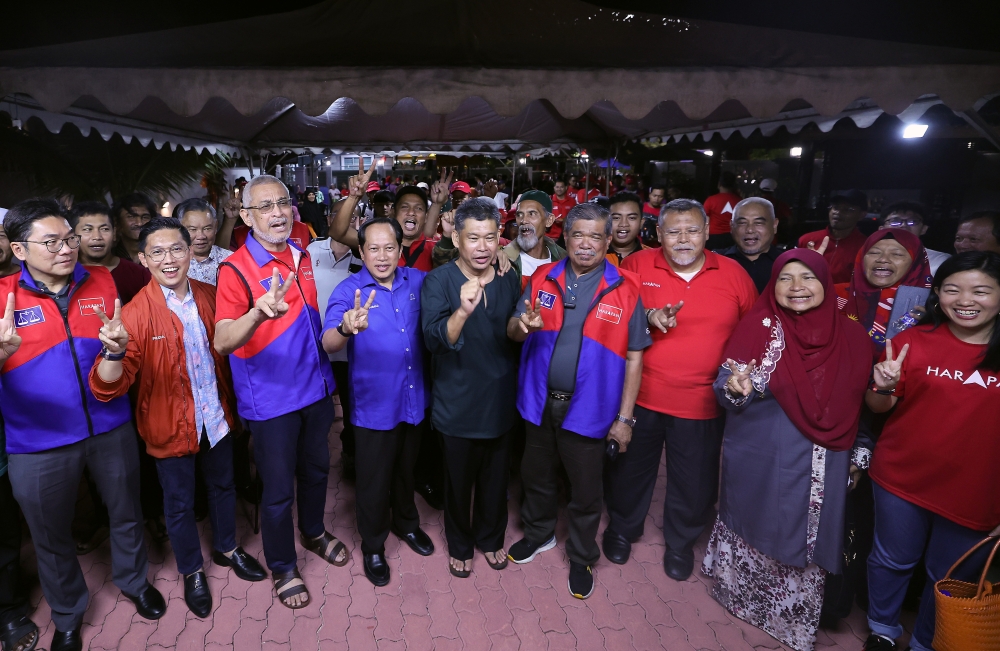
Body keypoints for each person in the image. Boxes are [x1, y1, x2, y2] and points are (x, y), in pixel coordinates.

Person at [0, 199, 165, 651]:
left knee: (127, 511)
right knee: (50, 534)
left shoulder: (102, 280)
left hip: (110, 426)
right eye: (50, 241)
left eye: (68, 238)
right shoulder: (3, 299)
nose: (66, 249)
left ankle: (134, 582)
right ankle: (69, 614)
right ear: (19, 249)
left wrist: (116, 349)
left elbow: (119, 349)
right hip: (36, 443)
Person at [89, 218, 266, 618]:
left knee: (224, 487)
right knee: (180, 503)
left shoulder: (211, 295)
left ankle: (227, 548)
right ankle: (191, 571)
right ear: (143, 258)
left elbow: (235, 348)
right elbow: (107, 388)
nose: (169, 260)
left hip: (216, 418)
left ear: (190, 252)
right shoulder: (133, 315)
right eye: (157, 252)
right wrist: (113, 354)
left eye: (176, 249)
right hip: (168, 427)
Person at [701, 250, 873, 651]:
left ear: (826, 285)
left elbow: (861, 408)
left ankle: (789, 623)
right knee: (752, 518)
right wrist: (734, 386)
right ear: (772, 285)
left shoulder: (853, 338)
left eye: (807, 278)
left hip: (819, 459)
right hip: (757, 454)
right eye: (785, 278)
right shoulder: (759, 325)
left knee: (803, 535)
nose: (796, 288)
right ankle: (739, 599)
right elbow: (725, 387)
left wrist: (859, 454)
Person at [604, 199, 757, 578]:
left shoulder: (735, 274)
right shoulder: (637, 265)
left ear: (707, 232)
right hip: (641, 395)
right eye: (673, 231)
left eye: (692, 230)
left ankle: (681, 541)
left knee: (695, 479)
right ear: (658, 235)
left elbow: (752, 335)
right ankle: (623, 529)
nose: (683, 239)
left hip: (702, 401)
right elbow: (610, 315)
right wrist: (647, 316)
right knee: (629, 471)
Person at [215, 175, 347, 610]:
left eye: (283, 204)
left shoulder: (300, 254)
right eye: (265, 206)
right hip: (271, 401)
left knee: (316, 472)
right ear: (246, 216)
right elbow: (223, 340)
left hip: (316, 389)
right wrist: (257, 313)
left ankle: (312, 532)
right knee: (276, 490)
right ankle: (283, 565)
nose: (277, 213)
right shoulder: (234, 269)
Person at [506, 203, 650, 599]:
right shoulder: (540, 278)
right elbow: (513, 332)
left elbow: (636, 355)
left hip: (591, 408)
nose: (586, 244)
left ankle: (583, 554)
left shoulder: (626, 287)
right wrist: (522, 324)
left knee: (586, 491)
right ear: (565, 238)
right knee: (536, 476)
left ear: (608, 241)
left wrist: (625, 419)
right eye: (578, 235)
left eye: (595, 236)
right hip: (537, 401)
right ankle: (538, 535)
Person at [862, 251, 1000, 651]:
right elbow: (879, 407)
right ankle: (882, 631)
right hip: (901, 479)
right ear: (937, 294)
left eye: (981, 290)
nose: (965, 300)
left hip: (977, 493)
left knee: (950, 579)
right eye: (952, 289)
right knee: (891, 561)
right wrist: (883, 384)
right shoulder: (910, 341)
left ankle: (927, 642)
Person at [322, 217, 433, 586]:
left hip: (415, 399)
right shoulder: (348, 291)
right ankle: (373, 545)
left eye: (390, 248)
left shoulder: (418, 281)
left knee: (407, 470)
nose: (382, 256)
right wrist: (346, 327)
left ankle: (407, 524)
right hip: (374, 407)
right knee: (373, 480)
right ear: (361, 251)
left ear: (400, 250)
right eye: (373, 248)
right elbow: (328, 342)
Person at [421, 197, 521, 578]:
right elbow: (433, 340)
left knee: (496, 481)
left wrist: (524, 325)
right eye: (473, 238)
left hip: (498, 399)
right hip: (457, 402)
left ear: (500, 239)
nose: (483, 247)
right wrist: (462, 311)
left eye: (490, 238)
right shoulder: (439, 281)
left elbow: (512, 331)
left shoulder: (509, 276)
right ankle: (460, 545)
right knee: (458, 484)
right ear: (457, 240)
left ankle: (492, 539)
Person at [309, 210, 363, 482]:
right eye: (345, 214)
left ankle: (350, 458)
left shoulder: (365, 253)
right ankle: (310, 463)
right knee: (317, 411)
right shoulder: (310, 249)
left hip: (349, 348)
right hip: (314, 348)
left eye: (355, 215)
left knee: (352, 407)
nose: (351, 219)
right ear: (331, 218)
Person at [330, 162, 449, 273]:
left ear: (426, 216)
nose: (411, 212)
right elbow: (337, 233)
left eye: (418, 208)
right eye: (404, 207)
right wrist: (353, 197)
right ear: (393, 212)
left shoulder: (435, 249)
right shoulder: (376, 241)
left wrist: (437, 204)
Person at [835, 229, 933, 356]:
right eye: (874, 253)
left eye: (897, 254)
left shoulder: (935, 303)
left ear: (916, 262)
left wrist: (931, 323)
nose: (883, 259)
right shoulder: (832, 294)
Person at [69, 201, 152, 304]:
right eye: (87, 229)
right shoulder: (66, 274)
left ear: (114, 233)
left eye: (104, 229)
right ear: (73, 236)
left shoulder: (139, 274)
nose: (97, 237)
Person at [798, 190, 869, 284]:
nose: (838, 212)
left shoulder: (866, 246)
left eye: (847, 209)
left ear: (861, 215)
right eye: (835, 207)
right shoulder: (807, 240)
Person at [716, 197, 786, 293]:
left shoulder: (787, 264)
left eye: (758, 223)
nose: (750, 230)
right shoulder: (715, 262)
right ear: (732, 226)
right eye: (742, 223)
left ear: (774, 225)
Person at [502, 190, 567, 286]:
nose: (524, 221)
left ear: (549, 220)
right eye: (519, 215)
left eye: (532, 214)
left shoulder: (563, 259)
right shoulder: (504, 260)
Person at [877, 201, 949, 275]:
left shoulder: (941, 261)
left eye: (912, 221)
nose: (904, 225)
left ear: (924, 229)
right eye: (895, 221)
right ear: (882, 229)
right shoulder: (869, 257)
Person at [174, 198, 233, 285]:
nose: (201, 236)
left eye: (207, 228)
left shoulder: (231, 260)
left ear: (215, 226)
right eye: (193, 229)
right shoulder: (171, 263)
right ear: (179, 229)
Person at [111, 193, 157, 263]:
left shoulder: (159, 255)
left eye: (145, 217)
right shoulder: (109, 257)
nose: (139, 223)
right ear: (117, 222)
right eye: (131, 217)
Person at [703, 171, 742, 250]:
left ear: (719, 184)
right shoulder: (740, 201)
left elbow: (705, 220)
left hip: (713, 237)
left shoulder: (711, 200)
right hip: (733, 237)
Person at [605, 192, 646, 266]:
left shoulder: (653, 257)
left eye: (631, 218)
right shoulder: (594, 255)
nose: (623, 224)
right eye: (616, 218)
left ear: (641, 223)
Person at [549, 177, 577, 242]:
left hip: (567, 237)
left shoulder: (572, 201)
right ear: (554, 188)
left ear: (566, 187)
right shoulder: (549, 200)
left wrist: (565, 220)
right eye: (557, 187)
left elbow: (575, 217)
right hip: (551, 237)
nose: (559, 189)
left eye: (561, 187)